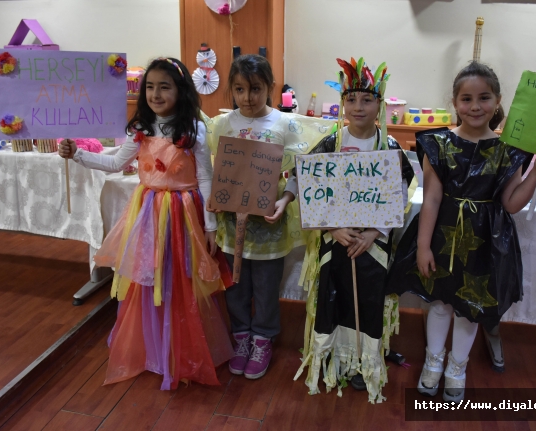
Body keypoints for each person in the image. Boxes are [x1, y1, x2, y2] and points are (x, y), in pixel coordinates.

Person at [58, 57, 234, 390]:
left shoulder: (193, 129)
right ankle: (154, 347)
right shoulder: (139, 129)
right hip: (149, 213)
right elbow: (113, 163)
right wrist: (77, 154)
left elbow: (206, 176)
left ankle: (181, 347)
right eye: (149, 86)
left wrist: (210, 226)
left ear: (180, 91)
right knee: (149, 277)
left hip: (183, 214)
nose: (155, 93)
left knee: (179, 278)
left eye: (164, 86)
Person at [387, 61, 536, 402]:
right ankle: (433, 361)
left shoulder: (509, 150)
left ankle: (457, 366)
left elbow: (510, 204)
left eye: (484, 97)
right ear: (455, 102)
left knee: (471, 306)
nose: (475, 106)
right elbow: (431, 199)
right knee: (439, 303)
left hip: (485, 243)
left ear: (497, 100)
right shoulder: (438, 143)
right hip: (442, 237)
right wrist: (422, 248)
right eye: (466, 99)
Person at [293, 58, 415, 404]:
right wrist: (333, 226)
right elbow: (308, 184)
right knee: (335, 298)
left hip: (371, 244)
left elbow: (399, 194)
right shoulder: (330, 144)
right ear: (342, 103)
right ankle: (335, 357)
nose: (358, 107)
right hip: (336, 239)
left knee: (369, 301)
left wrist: (374, 232)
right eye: (351, 99)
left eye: (367, 99)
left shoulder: (389, 148)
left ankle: (364, 361)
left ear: (381, 104)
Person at [204, 54, 333, 380]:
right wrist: (217, 198)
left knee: (265, 288)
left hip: (268, 227)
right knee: (234, 286)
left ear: (270, 88)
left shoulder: (284, 124)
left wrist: (286, 198)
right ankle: (241, 337)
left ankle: (263, 339)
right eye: (240, 89)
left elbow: (300, 167)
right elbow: (215, 167)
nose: (247, 98)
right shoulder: (223, 124)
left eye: (256, 89)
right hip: (233, 227)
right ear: (232, 90)